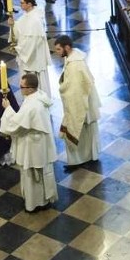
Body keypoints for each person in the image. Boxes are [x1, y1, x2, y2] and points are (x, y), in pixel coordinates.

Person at [0, 73, 58, 213]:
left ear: (30, 88)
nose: (20, 89)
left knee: (32, 175)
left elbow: (16, 125)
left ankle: (34, 203)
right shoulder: (39, 96)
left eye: (22, 87)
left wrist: (7, 108)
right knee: (40, 173)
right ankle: (44, 199)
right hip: (39, 143)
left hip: (32, 145)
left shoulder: (32, 106)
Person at [54, 35, 101, 171]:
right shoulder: (72, 58)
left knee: (81, 130)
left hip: (82, 102)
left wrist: (63, 88)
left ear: (67, 48)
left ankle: (80, 160)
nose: (57, 53)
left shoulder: (75, 64)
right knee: (84, 132)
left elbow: (74, 89)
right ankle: (85, 157)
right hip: (82, 100)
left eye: (58, 49)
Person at [10, 0, 51, 98]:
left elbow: (32, 42)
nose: (20, 5)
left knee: (35, 84)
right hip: (28, 57)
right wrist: (12, 25)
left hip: (33, 59)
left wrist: (19, 49)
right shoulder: (27, 16)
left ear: (29, 4)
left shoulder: (35, 20)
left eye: (22, 3)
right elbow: (19, 30)